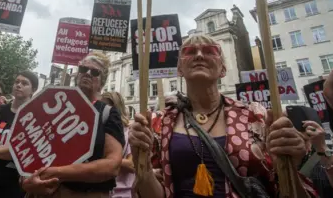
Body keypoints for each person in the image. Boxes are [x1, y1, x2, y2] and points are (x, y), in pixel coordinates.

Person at [128, 35, 317, 198]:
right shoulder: (159, 123)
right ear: (179, 69)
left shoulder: (255, 116)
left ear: (223, 69)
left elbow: (283, 186)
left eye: (210, 50)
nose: (199, 55)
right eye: (190, 51)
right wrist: (140, 163)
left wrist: (289, 164)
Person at [22, 51, 125, 198]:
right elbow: (32, 150)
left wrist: (56, 173)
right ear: (77, 74)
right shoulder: (57, 105)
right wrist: (26, 180)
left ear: (102, 82)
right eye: (83, 69)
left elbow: (112, 166)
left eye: (95, 72)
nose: (88, 73)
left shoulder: (107, 113)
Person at [101, 91, 135, 198]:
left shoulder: (129, 132)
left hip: (123, 193)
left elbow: (132, 164)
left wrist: (105, 161)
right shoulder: (100, 132)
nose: (103, 111)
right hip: (103, 192)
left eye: (106, 107)